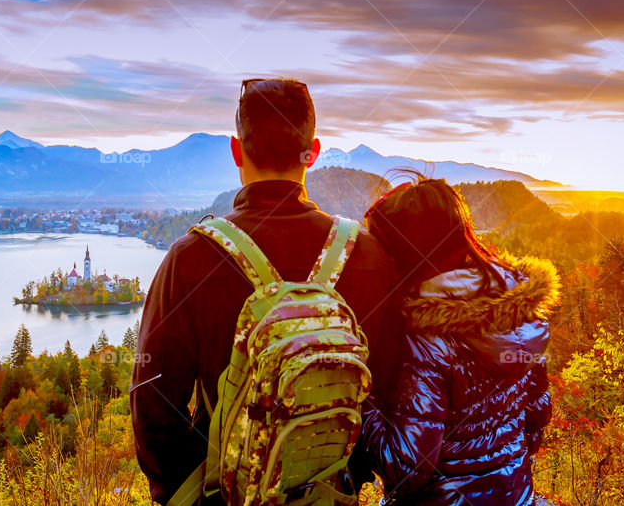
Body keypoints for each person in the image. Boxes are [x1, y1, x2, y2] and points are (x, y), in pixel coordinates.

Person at [130, 78, 399, 505]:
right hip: (332, 495)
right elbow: (390, 392)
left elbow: (153, 411)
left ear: (237, 151)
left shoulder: (192, 258)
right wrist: (349, 476)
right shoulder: (366, 254)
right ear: (312, 151)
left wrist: (193, 493)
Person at [361, 175, 560, 506]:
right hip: (515, 496)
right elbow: (537, 415)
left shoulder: (427, 340)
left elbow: (408, 469)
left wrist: (365, 404)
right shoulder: (516, 308)